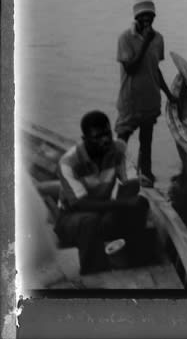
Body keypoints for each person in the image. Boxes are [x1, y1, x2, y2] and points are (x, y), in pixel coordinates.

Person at [54, 111, 150, 274]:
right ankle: (94, 274)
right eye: (97, 137)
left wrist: (118, 207)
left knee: (141, 204)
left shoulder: (118, 148)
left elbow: (132, 183)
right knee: (90, 220)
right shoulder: (68, 163)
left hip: (103, 212)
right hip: (71, 218)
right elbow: (80, 203)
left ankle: (134, 261)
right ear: (85, 139)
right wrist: (120, 204)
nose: (105, 140)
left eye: (107, 134)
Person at [115, 0, 175, 187]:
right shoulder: (125, 38)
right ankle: (116, 176)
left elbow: (154, 68)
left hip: (150, 98)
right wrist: (145, 42)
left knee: (146, 142)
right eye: (143, 16)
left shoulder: (159, 39)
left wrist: (168, 94)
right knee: (122, 139)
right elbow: (131, 68)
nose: (147, 19)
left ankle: (146, 176)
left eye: (150, 15)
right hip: (130, 100)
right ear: (136, 17)